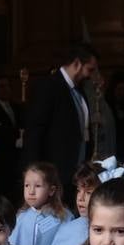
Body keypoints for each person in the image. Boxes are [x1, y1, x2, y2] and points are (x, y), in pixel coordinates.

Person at [23, 43, 100, 201]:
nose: (90, 75)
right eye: (89, 69)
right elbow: (35, 132)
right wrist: (34, 173)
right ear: (77, 64)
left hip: (76, 173)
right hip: (54, 174)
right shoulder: (49, 86)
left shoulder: (80, 91)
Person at [11, 162, 74, 245]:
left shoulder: (64, 217)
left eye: (38, 186)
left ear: (51, 190)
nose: (31, 191)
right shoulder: (21, 217)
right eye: (27, 185)